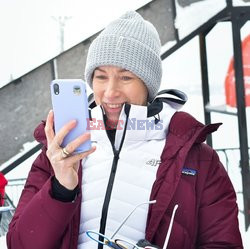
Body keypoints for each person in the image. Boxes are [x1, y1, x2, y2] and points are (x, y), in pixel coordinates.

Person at [7, 11, 243, 249]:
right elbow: (19, 244)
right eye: (101, 77)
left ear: (148, 85)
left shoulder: (198, 160)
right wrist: (60, 188)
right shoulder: (58, 153)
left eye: (126, 77)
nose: (110, 92)